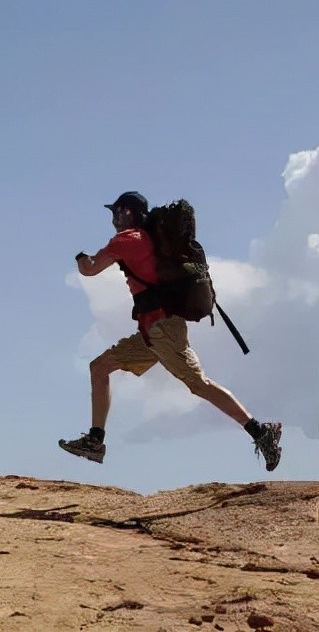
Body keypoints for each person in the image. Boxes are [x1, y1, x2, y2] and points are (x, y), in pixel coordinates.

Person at [59, 191, 283, 471]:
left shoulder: (128, 240)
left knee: (198, 384)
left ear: (127, 213)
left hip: (162, 330)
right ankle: (95, 441)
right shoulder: (147, 239)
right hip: (152, 331)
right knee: (100, 367)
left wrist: (80, 257)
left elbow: (89, 270)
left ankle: (261, 433)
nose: (113, 218)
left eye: (116, 212)